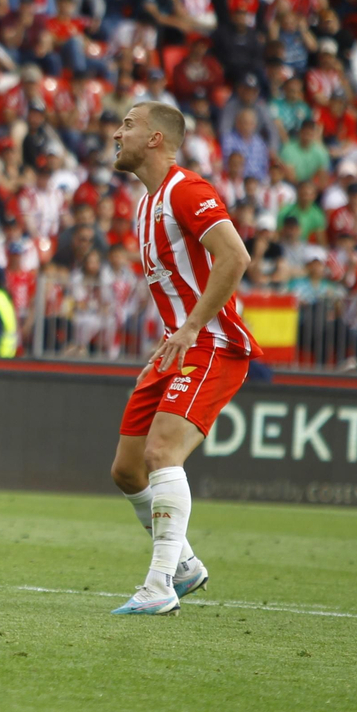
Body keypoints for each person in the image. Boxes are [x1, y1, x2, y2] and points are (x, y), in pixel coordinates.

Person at [107, 102, 259, 615]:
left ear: (155, 138)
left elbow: (235, 256)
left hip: (213, 342)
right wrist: (175, 334)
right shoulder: (146, 205)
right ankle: (187, 565)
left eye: (128, 125)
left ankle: (159, 585)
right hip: (178, 345)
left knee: (160, 455)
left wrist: (192, 326)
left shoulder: (187, 190)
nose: (117, 133)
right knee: (128, 471)